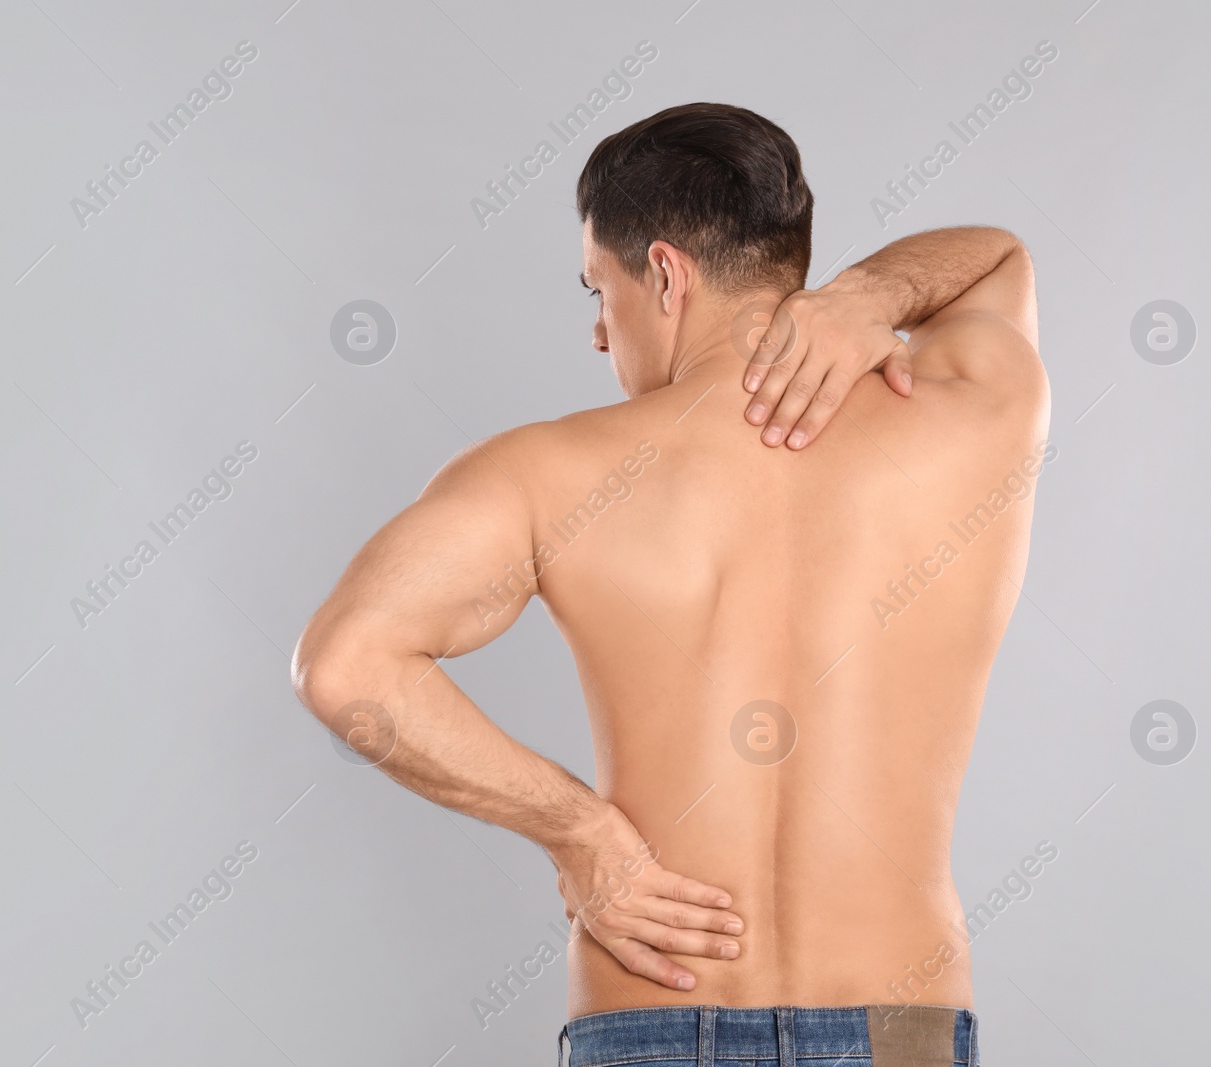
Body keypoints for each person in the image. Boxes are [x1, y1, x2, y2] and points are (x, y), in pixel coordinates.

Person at [293, 102, 1049, 1066]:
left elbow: (343, 667)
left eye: (596, 291)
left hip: (656, 1015)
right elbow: (998, 259)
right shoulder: (971, 411)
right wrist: (870, 294)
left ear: (663, 272)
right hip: (901, 1027)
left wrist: (578, 833)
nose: (600, 338)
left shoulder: (549, 471)